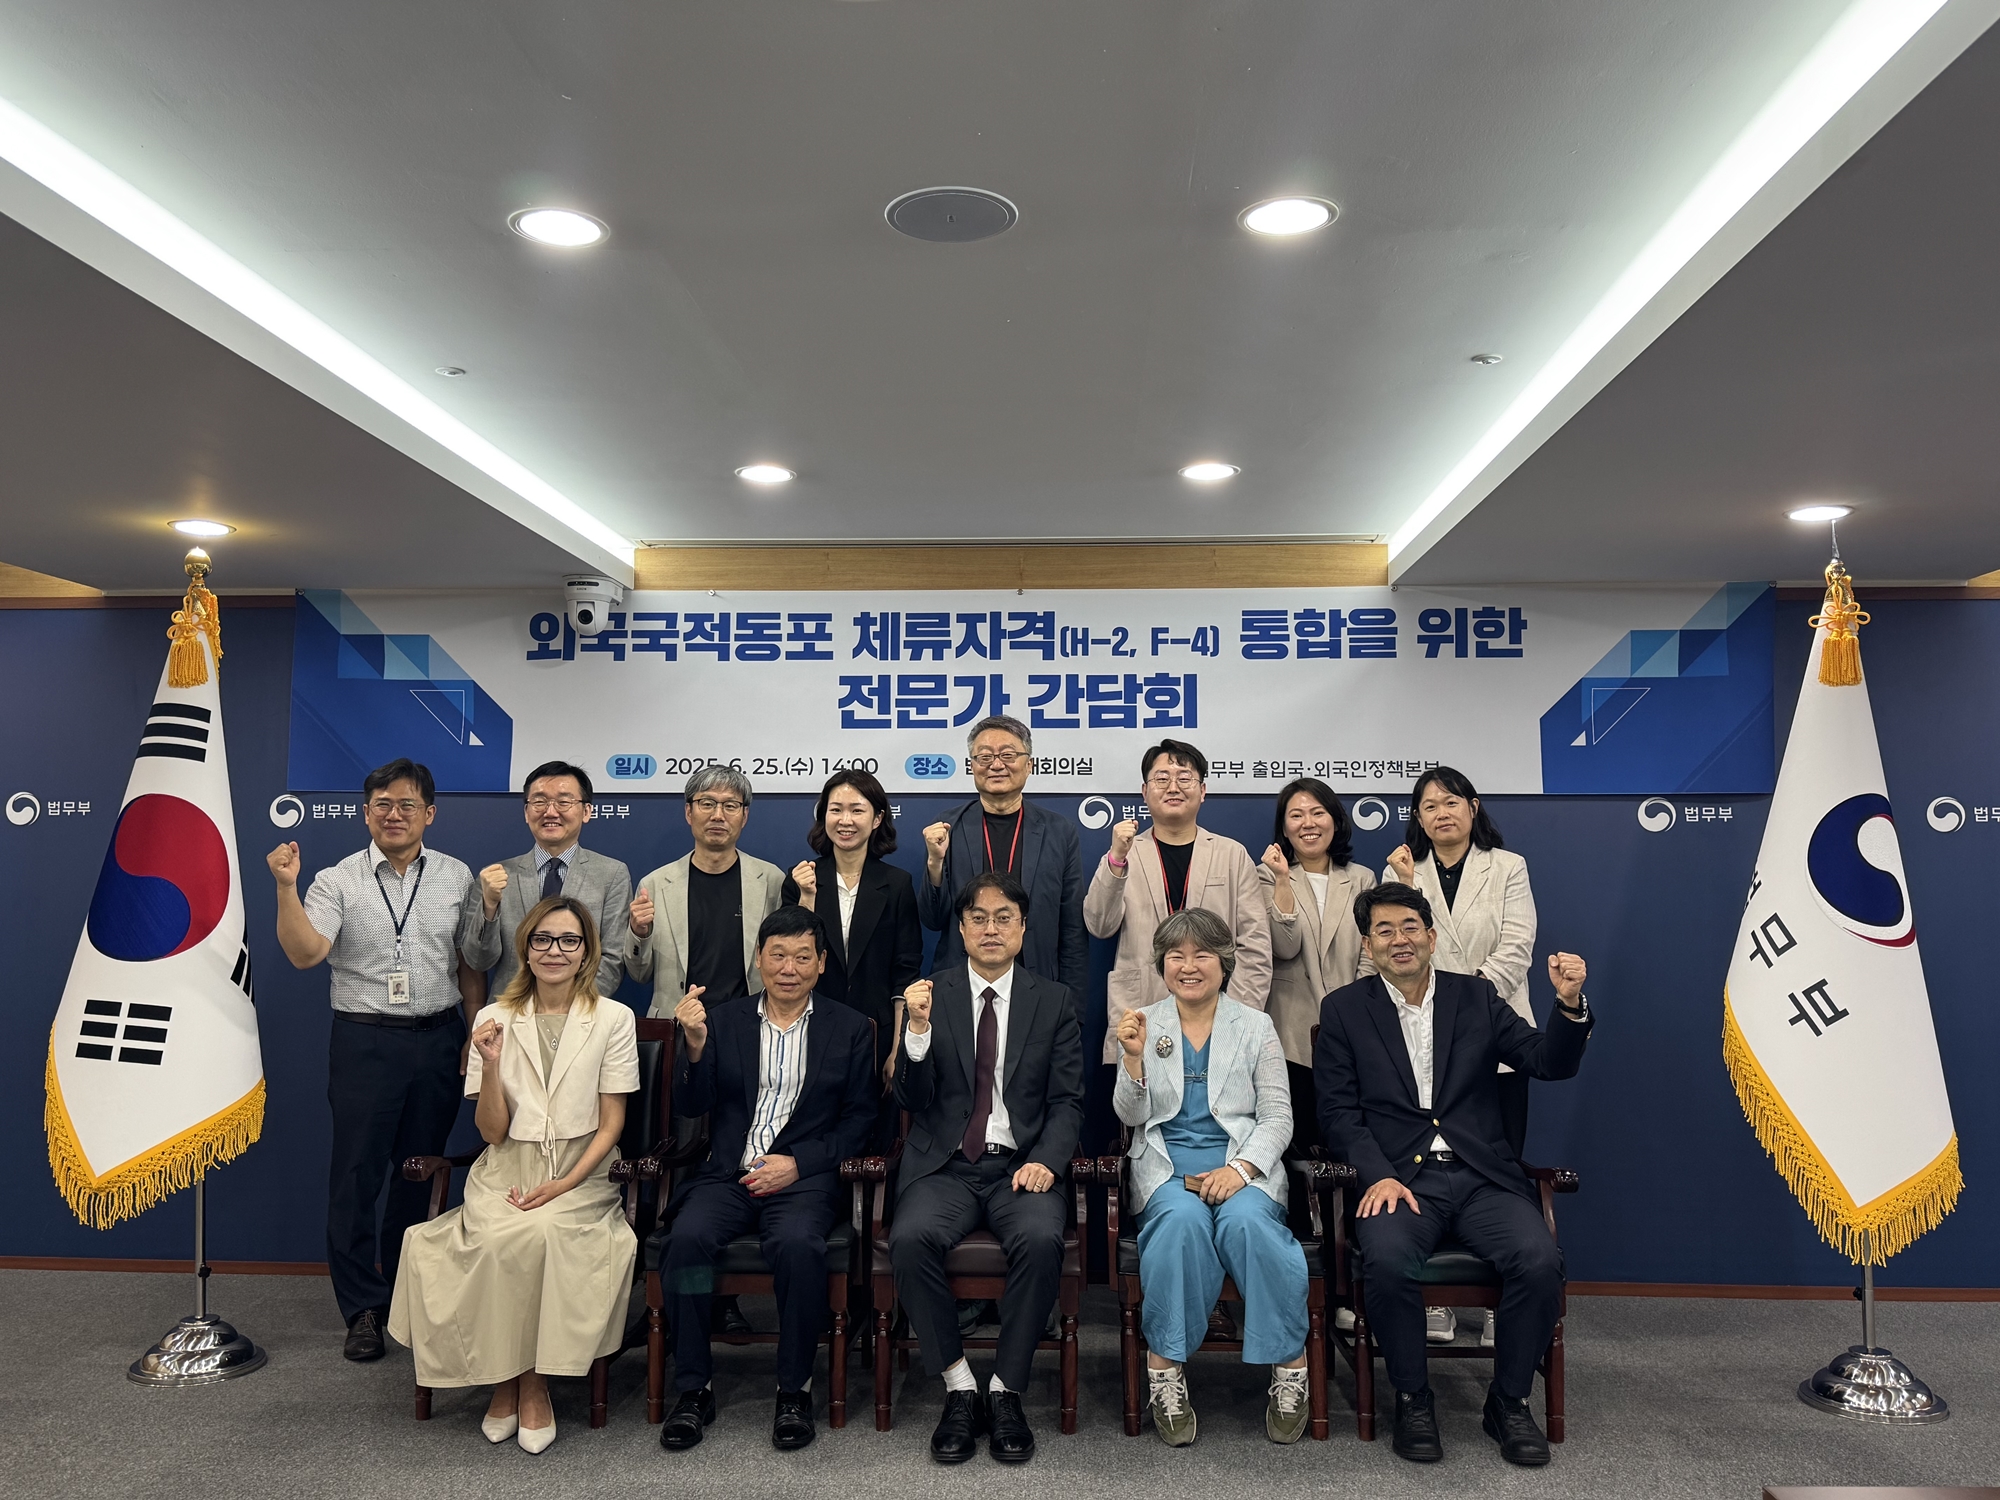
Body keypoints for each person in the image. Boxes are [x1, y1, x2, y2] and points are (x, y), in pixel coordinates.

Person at [1316, 883, 1592, 1469]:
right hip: (1399, 1180)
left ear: (1432, 935)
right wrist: (1377, 1176)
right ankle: (1413, 1399)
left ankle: (1510, 1401)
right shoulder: (1343, 1009)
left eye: (1410, 927)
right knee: (1388, 1264)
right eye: (1384, 931)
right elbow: (1338, 1113)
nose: (1399, 940)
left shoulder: (1478, 996)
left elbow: (1548, 1063)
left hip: (1481, 1176)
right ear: (1368, 945)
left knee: (1540, 1261)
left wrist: (1568, 1006)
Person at [388, 897, 639, 1455]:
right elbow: (492, 1132)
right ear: (526, 948)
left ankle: (530, 1387)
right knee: (502, 1238)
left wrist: (564, 1185)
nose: (555, 951)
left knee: (542, 1232)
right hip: (507, 1168)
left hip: (582, 1170)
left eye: (569, 941)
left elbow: (611, 1124)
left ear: (586, 952)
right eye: (543, 940)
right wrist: (493, 1063)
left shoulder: (613, 1018)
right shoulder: (492, 1018)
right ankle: (512, 1382)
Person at [268, 757, 491, 1362]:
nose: (395, 815)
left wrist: (473, 1027)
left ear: (430, 814)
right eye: (383, 805)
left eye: (407, 805)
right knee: (357, 1174)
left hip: (440, 1037)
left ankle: (403, 1293)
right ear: (366, 813)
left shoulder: (454, 875)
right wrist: (287, 887)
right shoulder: (336, 880)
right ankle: (362, 1306)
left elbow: (469, 962)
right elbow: (306, 953)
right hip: (366, 1041)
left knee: (419, 1172)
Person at [657, 905, 878, 1454]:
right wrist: (694, 1045)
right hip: (728, 1174)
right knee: (685, 1243)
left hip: (802, 1179)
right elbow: (692, 1104)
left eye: (803, 956)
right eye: (777, 955)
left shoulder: (849, 1028)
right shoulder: (724, 1020)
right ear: (759, 959)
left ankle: (794, 1388)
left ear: (822, 963)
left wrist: (799, 1164)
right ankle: (693, 1387)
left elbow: (860, 1123)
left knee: (799, 1245)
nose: (789, 967)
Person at [890, 871, 1085, 1466]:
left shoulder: (1052, 1001)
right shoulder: (929, 994)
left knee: (1040, 1236)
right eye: (979, 917)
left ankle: (1005, 1389)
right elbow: (910, 1099)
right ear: (961, 927)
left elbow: (1067, 1101)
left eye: (1005, 918)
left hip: (1019, 1166)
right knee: (909, 1237)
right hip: (945, 1166)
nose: (991, 928)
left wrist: (1048, 1162)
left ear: (1024, 929)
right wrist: (916, 1033)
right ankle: (958, 1385)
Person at [1113, 907, 1311, 1447]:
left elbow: (1277, 1117)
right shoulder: (1144, 1022)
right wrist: (1132, 1063)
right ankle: (1166, 1370)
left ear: (1224, 963)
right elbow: (1131, 1118)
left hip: (1241, 1166)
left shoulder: (1255, 1025)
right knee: (1179, 1226)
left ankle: (1290, 1368)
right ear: (1162, 964)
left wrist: (1241, 1169)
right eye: (1176, 955)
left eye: (1202, 954)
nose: (1189, 965)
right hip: (1168, 1170)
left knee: (1249, 1225)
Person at [1372, 766, 1537, 1348]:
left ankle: (1498, 1303)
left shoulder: (1507, 866)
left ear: (1472, 806)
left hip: (1492, 1034)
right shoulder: (1400, 870)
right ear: (1416, 817)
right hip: (1419, 1035)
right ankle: (1435, 1303)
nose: (1440, 814)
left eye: (1450, 803)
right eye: (1427, 806)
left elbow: (1516, 945)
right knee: (1426, 1167)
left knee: (1494, 1165)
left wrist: (1467, 1008)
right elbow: (1400, 951)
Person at [628, 766, 785, 1336]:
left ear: (745, 815)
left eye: (730, 805)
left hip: (749, 1038)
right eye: (706, 803)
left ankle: (723, 1301)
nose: (718, 814)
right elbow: (639, 971)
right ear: (688, 812)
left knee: (735, 1159)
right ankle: (675, 1298)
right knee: (683, 1166)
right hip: (680, 1035)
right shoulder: (657, 880)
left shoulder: (769, 878)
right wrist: (639, 933)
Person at [1086, 738, 1272, 1064]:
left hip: (1217, 1012)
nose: (1173, 786)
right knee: (1140, 1108)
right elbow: (1100, 925)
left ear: (1202, 791)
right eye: (1161, 778)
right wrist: (1117, 857)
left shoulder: (1231, 854)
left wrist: (1239, 1018)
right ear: (1144, 792)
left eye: (1185, 778)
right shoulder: (1125, 853)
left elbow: (1255, 946)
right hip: (1141, 1012)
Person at [784, 769, 922, 1149]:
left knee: (872, 1139)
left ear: (877, 818)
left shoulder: (896, 884)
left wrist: (897, 1049)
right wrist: (807, 897)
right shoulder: (801, 878)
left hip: (874, 1035)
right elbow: (792, 963)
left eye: (857, 810)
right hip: (810, 1032)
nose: (845, 820)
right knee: (812, 1135)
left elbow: (904, 973)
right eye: (835, 810)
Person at [919, 715, 1088, 995]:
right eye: (984, 757)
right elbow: (932, 920)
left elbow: (1072, 929)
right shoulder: (948, 827)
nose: (996, 765)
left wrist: (1073, 1006)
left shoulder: (1059, 832)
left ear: (1029, 764)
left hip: (1037, 984)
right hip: (962, 987)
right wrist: (934, 862)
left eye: (1008, 755)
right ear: (972, 766)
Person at [1258, 778, 1375, 1151]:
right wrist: (1280, 880)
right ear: (1284, 827)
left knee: (1349, 1139)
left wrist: (1356, 1010)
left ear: (1335, 820)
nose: (1308, 823)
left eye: (1317, 813)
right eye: (1296, 815)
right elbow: (1285, 947)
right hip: (1291, 1032)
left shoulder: (1362, 879)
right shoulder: (1266, 874)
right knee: (1299, 1143)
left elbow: (1371, 955)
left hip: (1354, 1030)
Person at [468, 760, 633, 997]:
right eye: (539, 801)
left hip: (581, 1017)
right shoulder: (497, 875)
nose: (550, 811)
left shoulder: (611, 874)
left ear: (587, 811)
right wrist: (489, 906)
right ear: (526, 812)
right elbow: (477, 960)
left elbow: (613, 959)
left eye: (564, 802)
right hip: (509, 1016)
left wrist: (570, 1009)